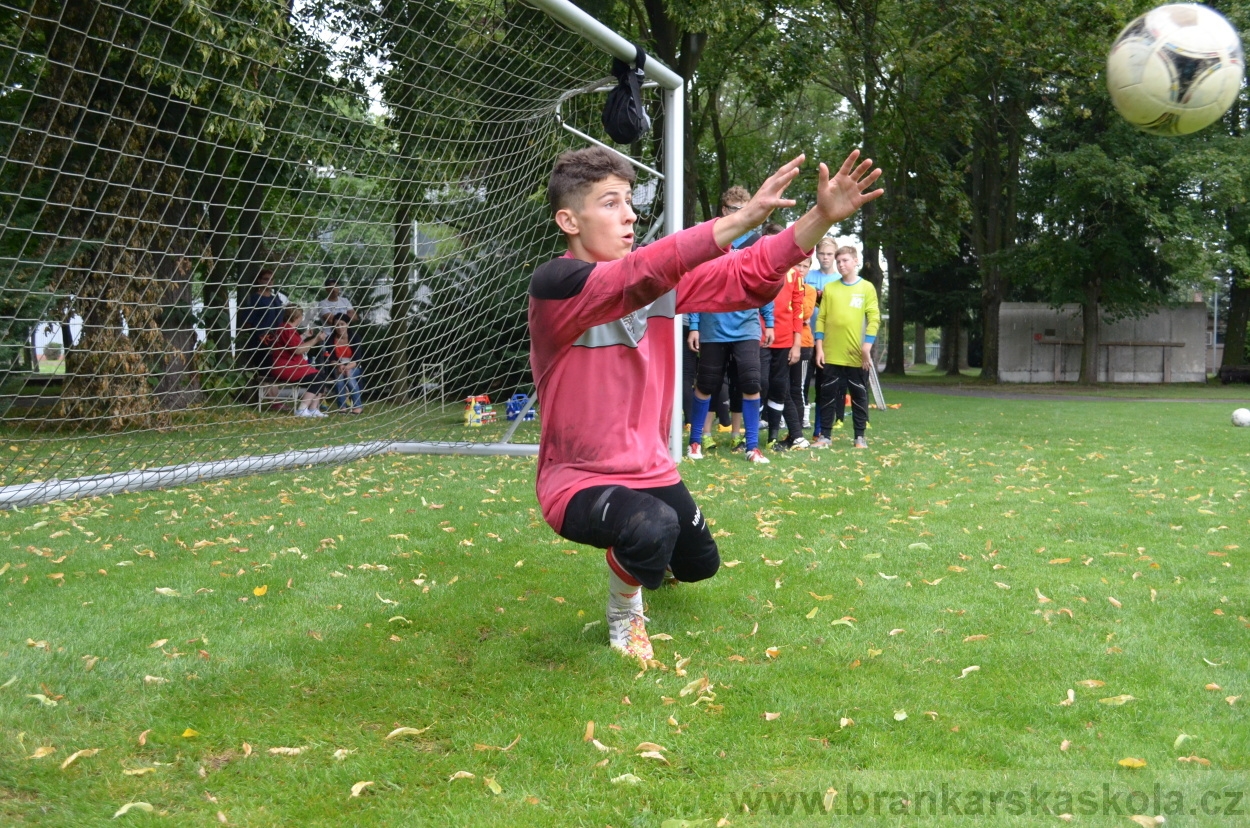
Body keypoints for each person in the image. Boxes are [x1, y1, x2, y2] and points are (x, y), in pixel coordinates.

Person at [527, 146, 883, 660]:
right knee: (651, 527)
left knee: (700, 565)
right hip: (579, 477)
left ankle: (642, 548)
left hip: (650, 468)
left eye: (629, 201)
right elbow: (639, 274)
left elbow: (748, 271)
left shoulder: (656, 281)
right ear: (569, 220)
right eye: (610, 203)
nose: (629, 215)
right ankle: (625, 614)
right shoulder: (555, 286)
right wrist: (739, 219)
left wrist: (819, 216)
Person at [686, 187, 775, 464]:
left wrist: (769, 322)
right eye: (734, 209)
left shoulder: (758, 243)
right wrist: (694, 324)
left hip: (747, 325)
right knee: (707, 383)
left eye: (744, 208)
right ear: (724, 211)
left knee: (752, 381)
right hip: (713, 326)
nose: (740, 214)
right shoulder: (712, 240)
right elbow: (698, 283)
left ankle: (752, 447)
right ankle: (695, 443)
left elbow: (765, 283)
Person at [814, 246, 880, 449]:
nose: (841, 264)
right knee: (827, 395)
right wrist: (819, 348)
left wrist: (866, 348)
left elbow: (874, 318)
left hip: (856, 355)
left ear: (856, 261)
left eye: (845, 260)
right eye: (838, 261)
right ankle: (825, 436)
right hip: (831, 353)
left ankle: (859, 437)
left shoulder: (866, 288)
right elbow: (821, 319)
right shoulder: (831, 289)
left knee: (859, 395)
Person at [761, 255, 810, 449]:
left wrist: (796, 343)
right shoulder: (760, 270)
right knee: (761, 383)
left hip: (785, 341)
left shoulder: (794, 275)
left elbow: (798, 310)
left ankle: (774, 436)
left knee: (781, 387)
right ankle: (750, 435)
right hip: (761, 338)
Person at [805, 238, 841, 435]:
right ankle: (798, 427)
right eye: (822, 254)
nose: (825, 258)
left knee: (824, 386)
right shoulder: (807, 275)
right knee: (800, 386)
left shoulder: (839, 280)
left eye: (829, 254)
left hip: (828, 342)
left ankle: (819, 429)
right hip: (804, 339)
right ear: (816, 254)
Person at [270, 305, 331, 418]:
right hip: (287, 367)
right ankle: (301, 410)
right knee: (317, 379)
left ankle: (313, 409)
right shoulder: (287, 329)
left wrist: (304, 336)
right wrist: (316, 339)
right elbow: (298, 350)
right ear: (297, 316)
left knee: (321, 376)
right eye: (302, 315)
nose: (302, 317)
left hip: (292, 365)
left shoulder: (286, 328)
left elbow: (292, 344)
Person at [238, 268, 284, 371]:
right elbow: (247, 323)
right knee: (265, 374)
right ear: (259, 280)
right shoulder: (254, 299)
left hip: (278, 342)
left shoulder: (275, 298)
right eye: (266, 279)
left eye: (271, 279)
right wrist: (259, 336)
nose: (269, 282)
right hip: (262, 343)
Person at [325, 318, 363, 413]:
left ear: (347, 324)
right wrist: (339, 365)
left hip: (353, 365)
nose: (339, 327)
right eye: (337, 325)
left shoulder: (355, 337)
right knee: (339, 377)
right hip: (337, 365)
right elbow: (331, 359)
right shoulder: (329, 339)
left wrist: (347, 367)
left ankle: (358, 407)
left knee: (349, 376)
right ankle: (342, 407)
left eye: (342, 324)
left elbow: (357, 359)